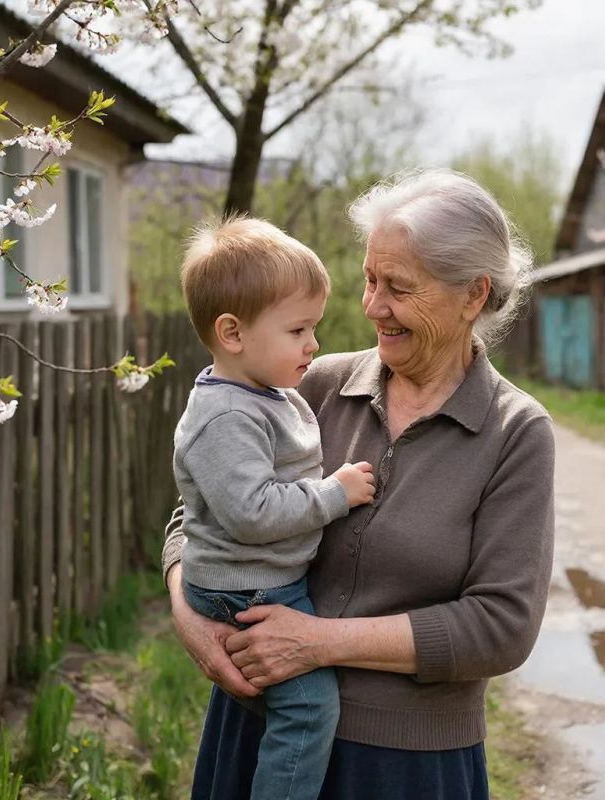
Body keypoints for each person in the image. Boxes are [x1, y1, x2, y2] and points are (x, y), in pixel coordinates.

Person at [163, 169, 556, 800]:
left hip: (406, 766)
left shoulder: (514, 433)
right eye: (370, 279)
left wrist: (318, 644)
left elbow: (502, 626)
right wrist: (190, 617)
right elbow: (200, 513)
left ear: (473, 295)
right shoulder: (311, 384)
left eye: (398, 287)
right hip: (259, 737)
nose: (372, 305)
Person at [173, 216, 376, 800]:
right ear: (232, 334)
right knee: (308, 710)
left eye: (313, 327)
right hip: (249, 588)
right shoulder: (227, 417)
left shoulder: (264, 392)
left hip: (259, 578)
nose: (314, 344)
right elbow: (252, 511)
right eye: (298, 330)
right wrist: (335, 494)